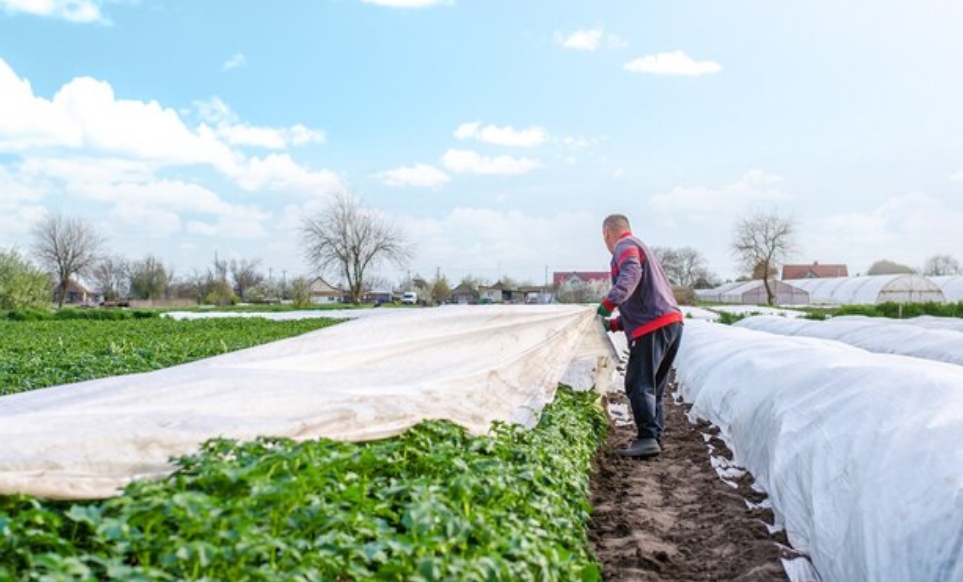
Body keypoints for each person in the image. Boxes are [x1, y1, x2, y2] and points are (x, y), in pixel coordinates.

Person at [597, 214, 684, 458]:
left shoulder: (624, 245)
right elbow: (643, 298)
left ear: (607, 233)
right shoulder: (642, 247)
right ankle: (653, 437)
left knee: (637, 382)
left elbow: (631, 275)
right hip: (671, 324)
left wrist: (609, 303)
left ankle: (647, 438)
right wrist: (614, 324)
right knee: (653, 385)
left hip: (653, 326)